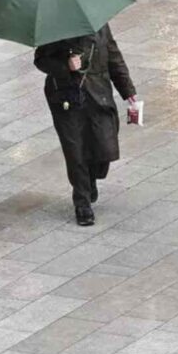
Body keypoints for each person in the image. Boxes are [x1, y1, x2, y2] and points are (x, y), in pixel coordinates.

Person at [34, 24, 137, 226]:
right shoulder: (54, 28)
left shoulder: (100, 25)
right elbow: (40, 60)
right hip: (67, 98)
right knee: (75, 149)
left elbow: (114, 57)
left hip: (98, 94)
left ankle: (91, 177)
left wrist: (128, 91)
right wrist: (65, 65)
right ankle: (82, 202)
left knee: (104, 144)